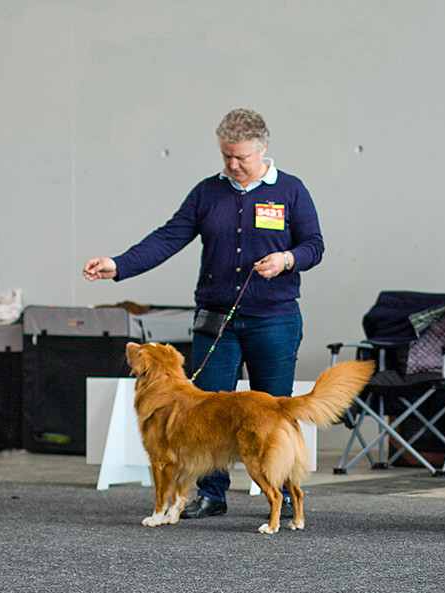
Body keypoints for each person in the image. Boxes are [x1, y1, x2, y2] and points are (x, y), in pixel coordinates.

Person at [83, 108, 323, 520]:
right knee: (204, 414)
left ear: (263, 149)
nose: (232, 164)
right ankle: (212, 495)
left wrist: (287, 259)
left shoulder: (291, 190)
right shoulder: (207, 192)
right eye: (226, 156)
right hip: (216, 320)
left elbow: (314, 245)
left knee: (275, 410)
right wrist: (119, 265)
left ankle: (281, 495)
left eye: (241, 157)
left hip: (274, 320)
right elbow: (168, 237)